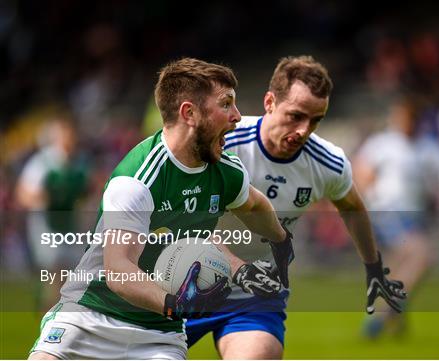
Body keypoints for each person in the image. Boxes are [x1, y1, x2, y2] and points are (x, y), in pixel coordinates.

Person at [29, 57, 292, 360]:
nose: (237, 116)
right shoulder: (138, 177)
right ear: (189, 113)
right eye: (226, 104)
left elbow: (254, 204)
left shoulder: (225, 171)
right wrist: (175, 303)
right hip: (89, 317)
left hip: (159, 336)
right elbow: (118, 269)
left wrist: (281, 240)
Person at [186, 56, 406, 359]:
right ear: (269, 102)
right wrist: (236, 267)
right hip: (184, 279)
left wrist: (373, 267)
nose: (304, 130)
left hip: (254, 295)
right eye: (296, 116)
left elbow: (353, 206)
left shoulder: (328, 163)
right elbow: (184, 220)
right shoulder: (222, 140)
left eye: (316, 120)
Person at [353, 96, 434, 338]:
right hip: (389, 211)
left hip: (411, 214)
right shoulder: (384, 143)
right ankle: (384, 314)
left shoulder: (420, 147)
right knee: (422, 257)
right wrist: (372, 199)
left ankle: (392, 320)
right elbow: (361, 169)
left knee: (398, 267)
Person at [16, 117, 89, 311]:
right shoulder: (43, 162)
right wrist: (42, 199)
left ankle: (57, 312)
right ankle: (50, 312)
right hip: (46, 223)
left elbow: (87, 190)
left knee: (70, 274)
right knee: (55, 269)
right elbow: (23, 193)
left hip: (70, 223)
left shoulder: (79, 162)